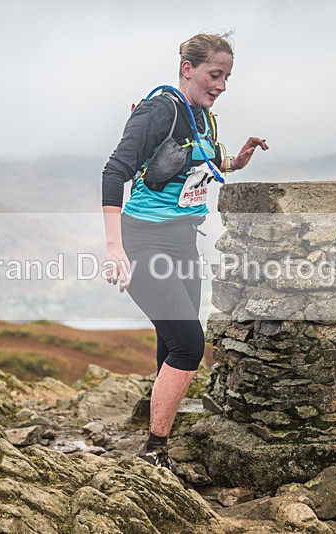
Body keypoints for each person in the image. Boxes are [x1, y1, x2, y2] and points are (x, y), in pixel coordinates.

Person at [101, 32, 268, 470]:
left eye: (228, 77)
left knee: (171, 340)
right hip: (144, 242)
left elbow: (196, 163)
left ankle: (160, 437)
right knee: (190, 346)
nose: (222, 85)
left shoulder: (203, 117)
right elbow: (114, 171)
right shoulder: (162, 109)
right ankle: (154, 453)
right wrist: (115, 247)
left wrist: (236, 161)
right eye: (216, 74)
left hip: (181, 242)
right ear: (187, 69)